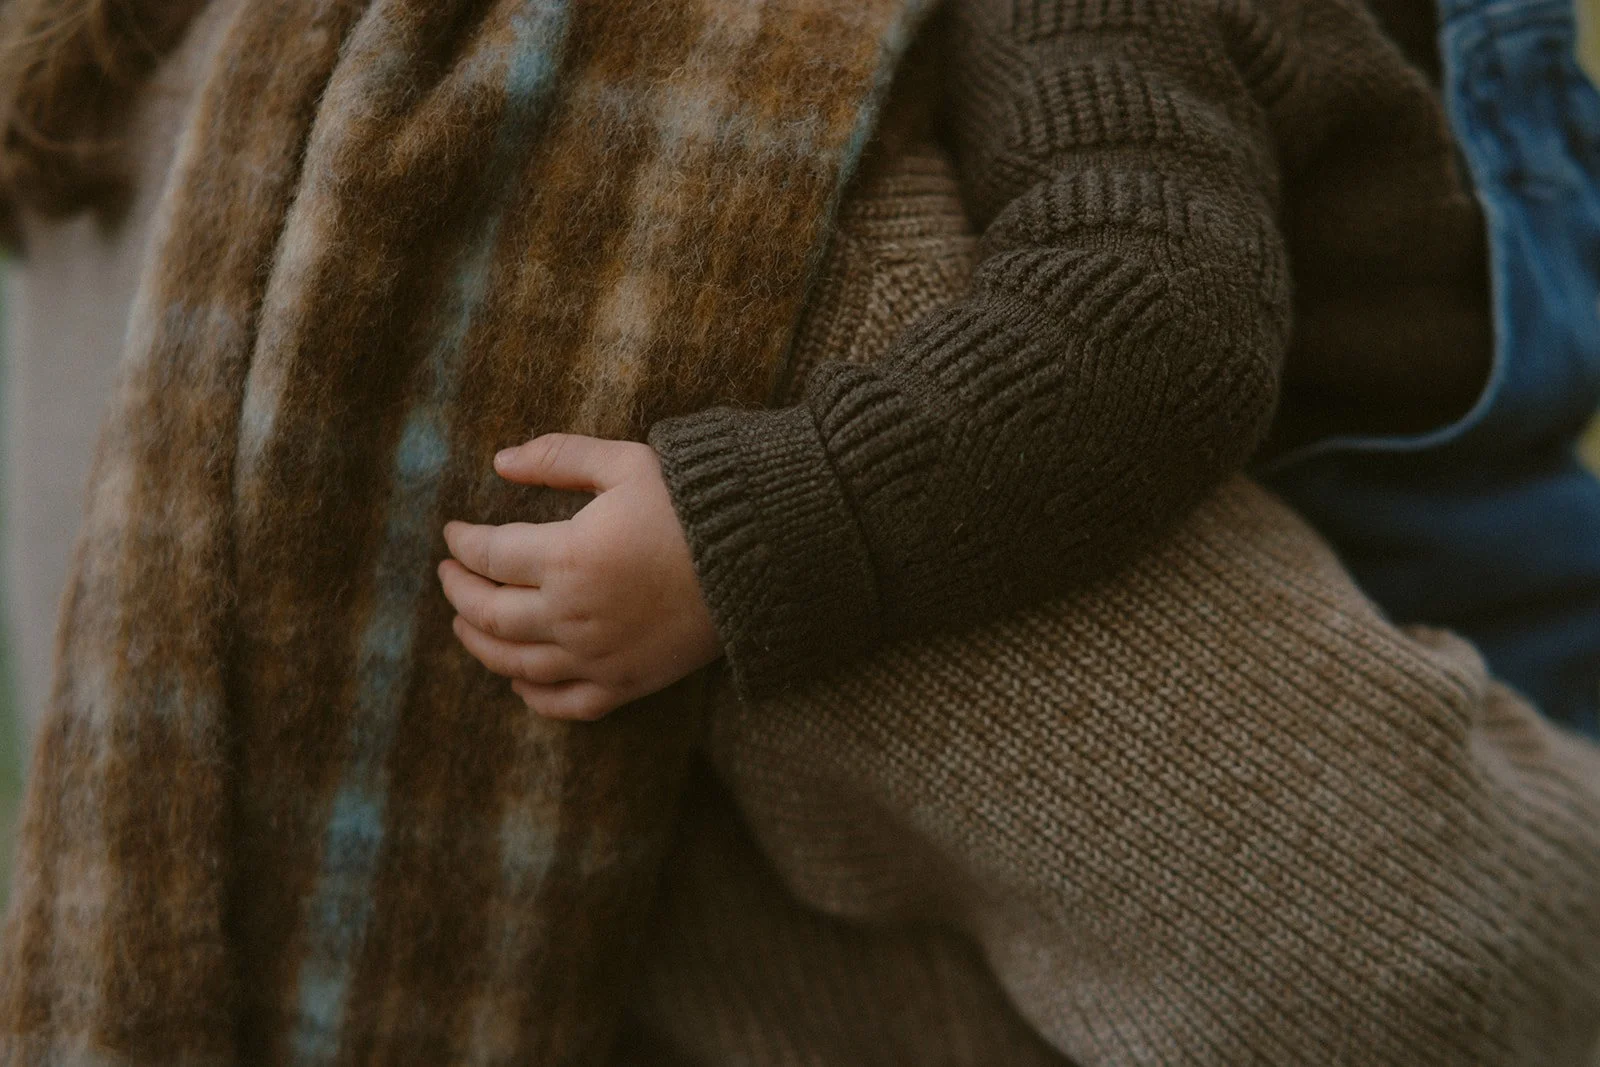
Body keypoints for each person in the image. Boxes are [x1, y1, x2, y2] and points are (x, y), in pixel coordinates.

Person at [0, 0, 1597, 1063]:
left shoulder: (105, 152)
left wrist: (747, 527)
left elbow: (1154, 312)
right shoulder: (633, 129)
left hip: (1461, 611)